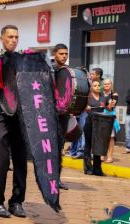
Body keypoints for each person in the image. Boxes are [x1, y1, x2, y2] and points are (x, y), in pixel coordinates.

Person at [0, 25, 27, 218]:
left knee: (21, 161)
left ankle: (17, 202)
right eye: (10, 37)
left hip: (19, 117)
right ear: (1, 38)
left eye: (16, 37)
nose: (13, 40)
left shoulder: (23, 60)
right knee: (1, 161)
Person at [83, 80, 111, 176]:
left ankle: (97, 170)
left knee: (98, 146)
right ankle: (88, 168)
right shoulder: (88, 96)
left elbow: (108, 107)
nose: (98, 87)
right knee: (88, 145)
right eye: (95, 86)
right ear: (91, 87)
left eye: (99, 85)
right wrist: (86, 107)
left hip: (100, 124)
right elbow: (83, 107)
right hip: (90, 123)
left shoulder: (103, 96)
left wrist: (110, 105)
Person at [52, 43, 70, 190]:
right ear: (54, 55)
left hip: (63, 115)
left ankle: (56, 178)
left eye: (66, 54)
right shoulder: (49, 70)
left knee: (59, 147)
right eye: (61, 54)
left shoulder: (67, 72)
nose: (64, 56)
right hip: (49, 115)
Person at [102, 79, 119, 163]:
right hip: (100, 117)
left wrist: (107, 105)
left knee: (110, 138)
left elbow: (111, 107)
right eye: (105, 84)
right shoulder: (100, 94)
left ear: (111, 85)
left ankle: (110, 156)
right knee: (101, 137)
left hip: (110, 118)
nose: (106, 85)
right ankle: (101, 155)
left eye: (108, 84)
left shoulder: (114, 95)